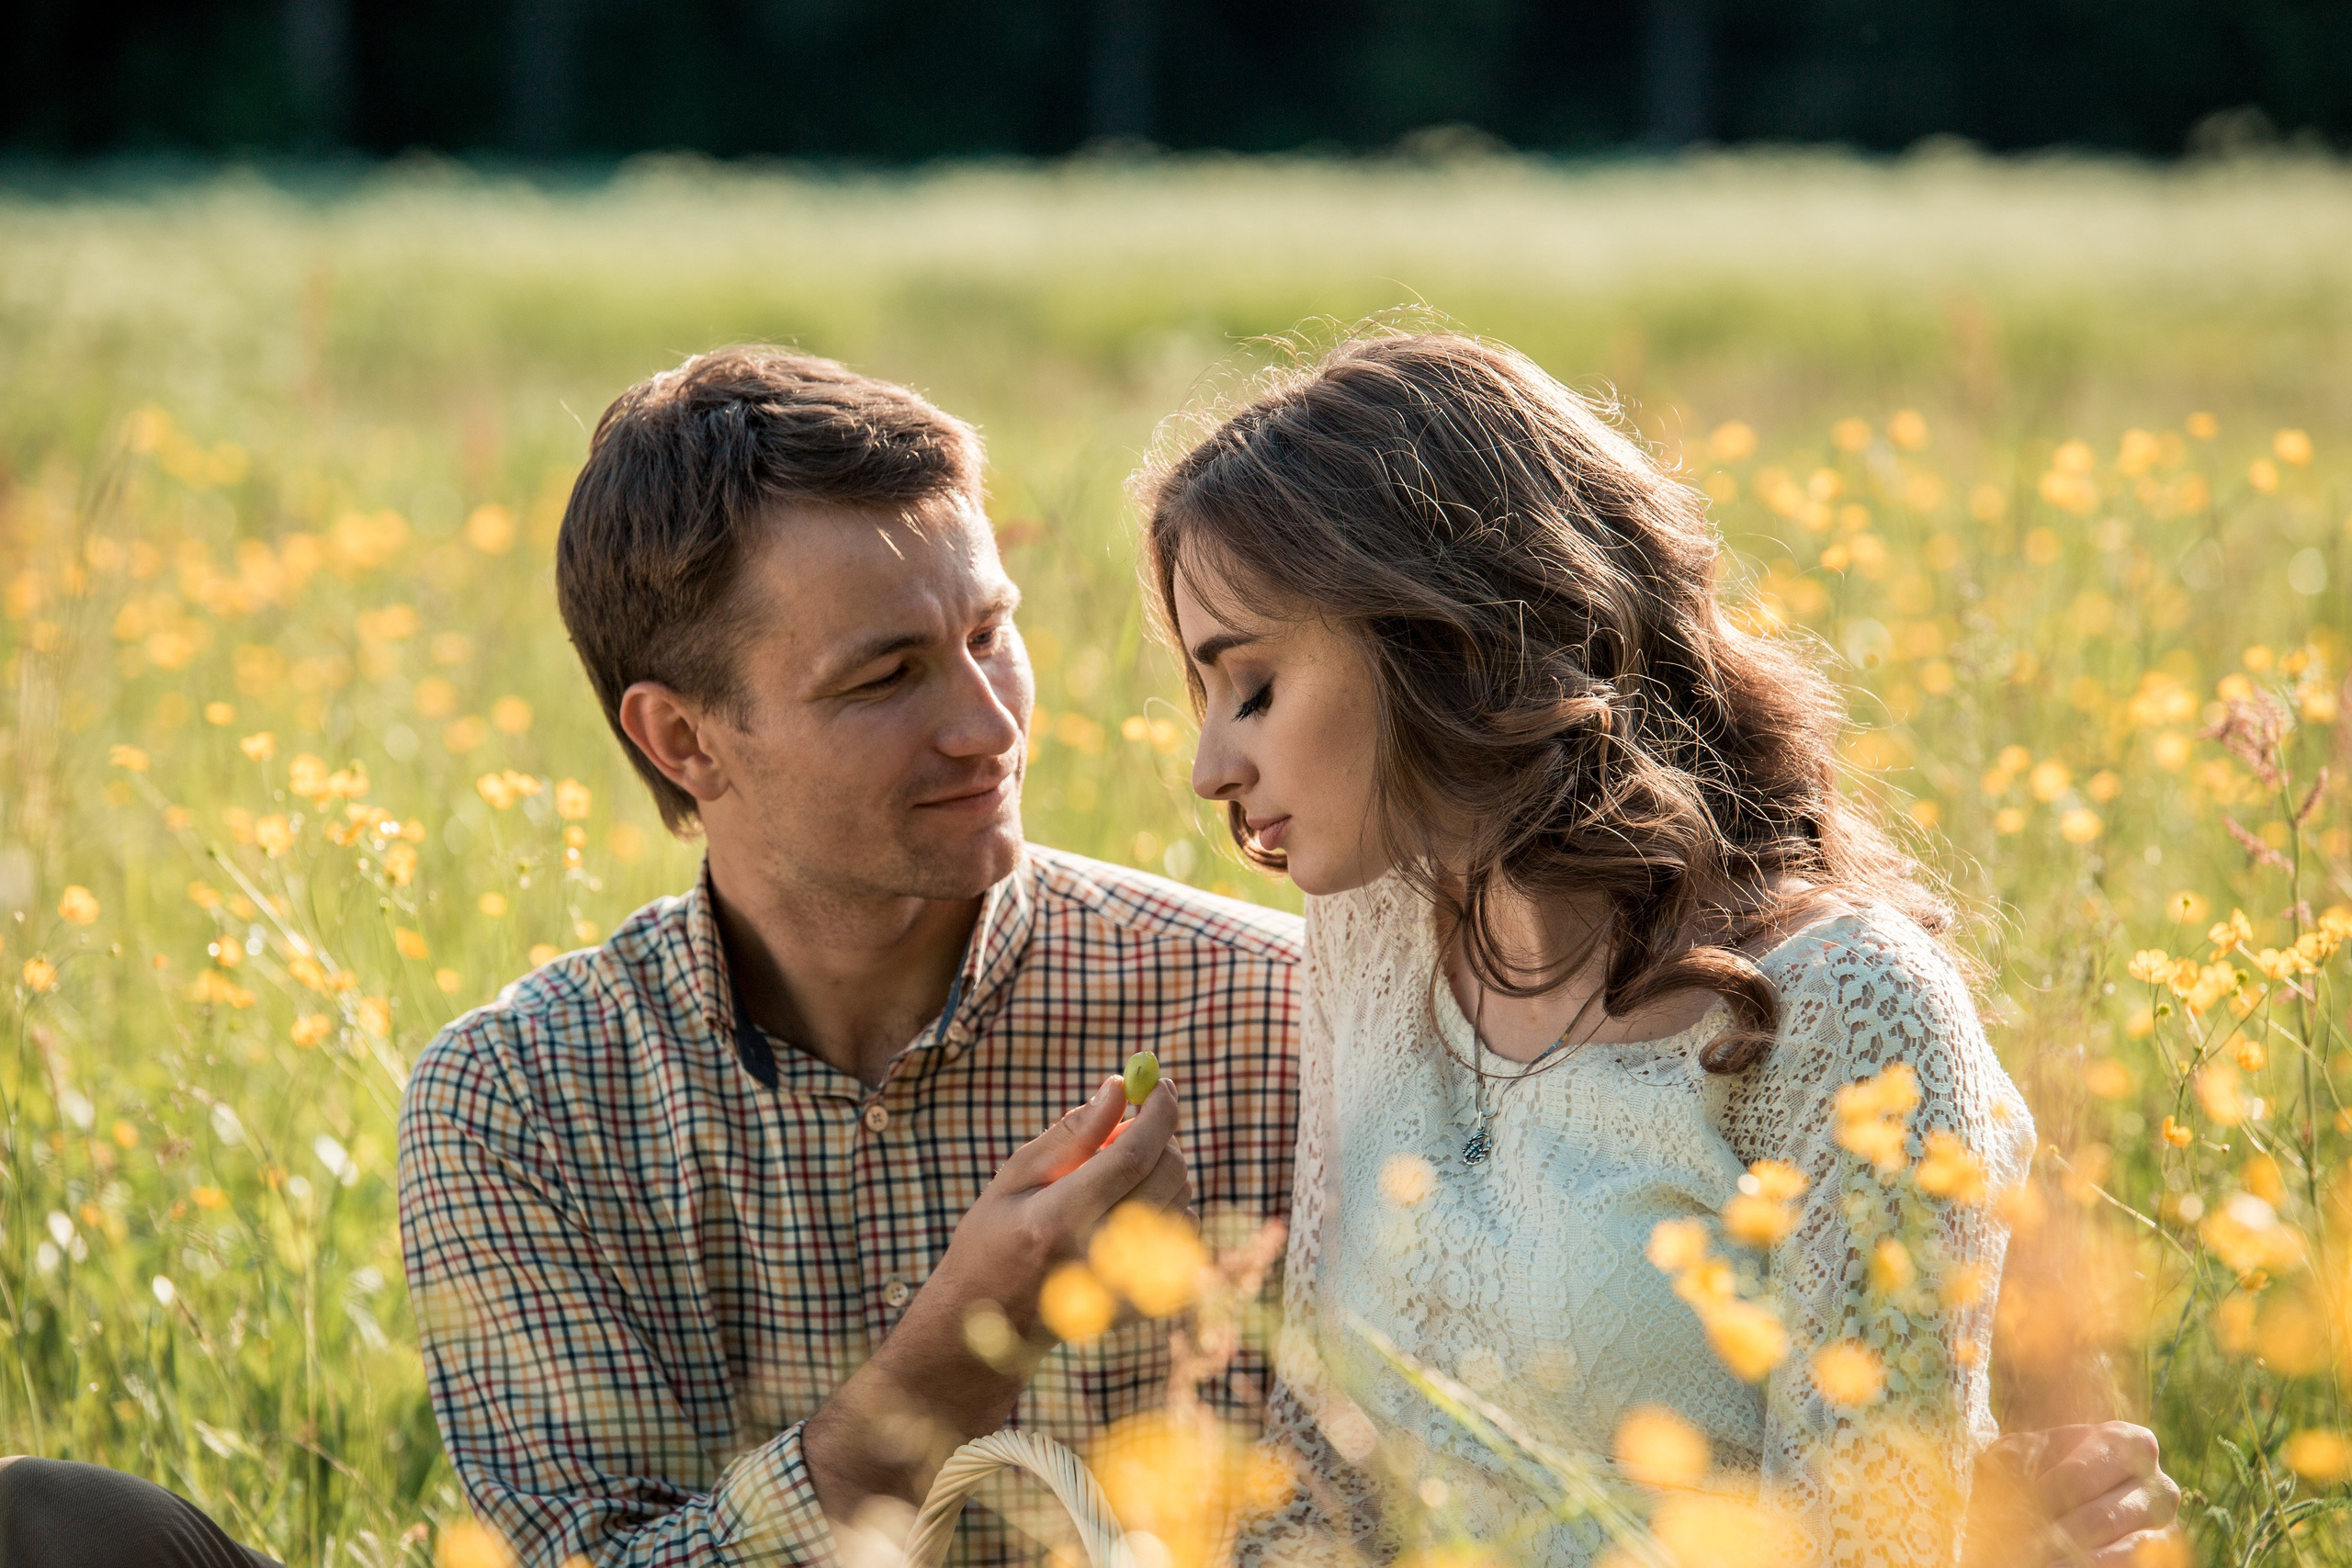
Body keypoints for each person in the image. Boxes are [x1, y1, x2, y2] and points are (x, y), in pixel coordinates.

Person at [0, 345, 2177, 1568]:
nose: (992, 724)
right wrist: (930, 1380)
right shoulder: (524, 1101)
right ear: (681, 738)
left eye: (993, 633)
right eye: (881, 677)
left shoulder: (1287, 986)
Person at [1138, 330, 2177, 1567]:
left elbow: (1875, 1550)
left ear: (1449, 641)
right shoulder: (1371, 924)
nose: (1212, 765)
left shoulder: (1845, 1008)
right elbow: (1321, 1480)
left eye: (1249, 687)